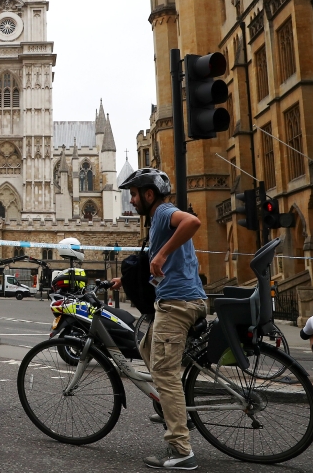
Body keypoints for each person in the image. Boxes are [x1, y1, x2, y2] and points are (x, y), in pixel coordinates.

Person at [110, 167, 205, 470]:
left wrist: (161, 254)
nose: (131, 201)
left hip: (178, 305)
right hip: (180, 299)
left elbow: (192, 221)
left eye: (135, 194)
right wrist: (122, 281)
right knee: (147, 347)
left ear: (149, 195)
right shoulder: (157, 221)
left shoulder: (164, 212)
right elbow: (161, 268)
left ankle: (181, 450)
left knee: (165, 373)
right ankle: (171, 406)